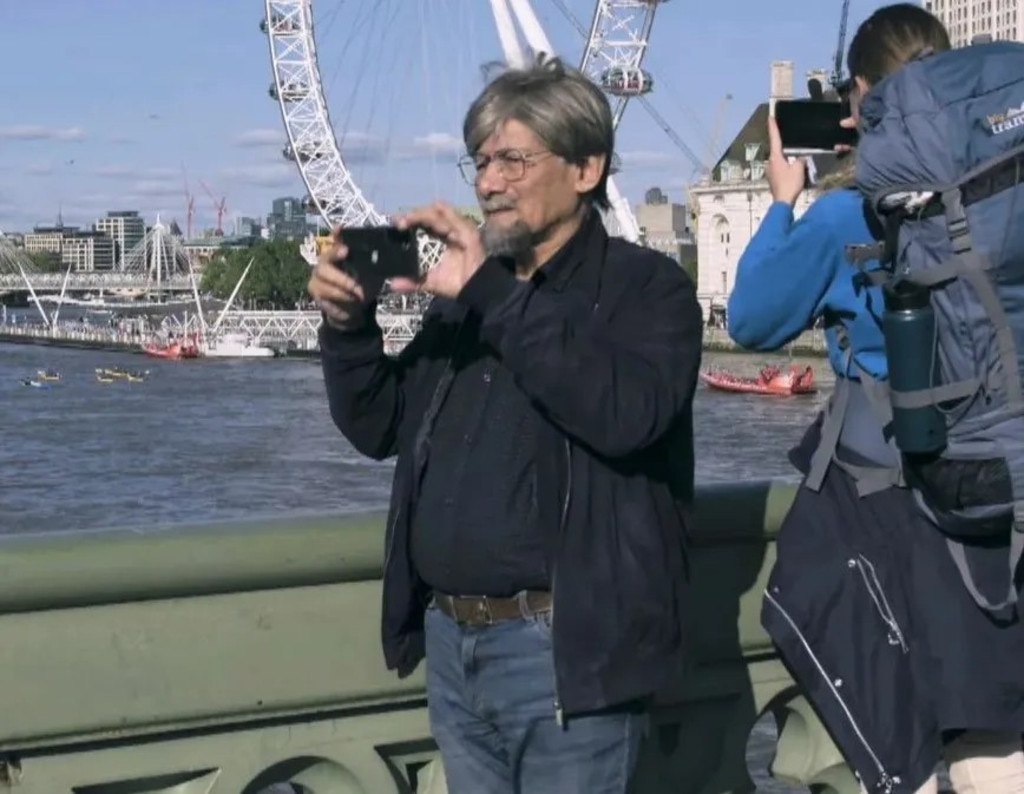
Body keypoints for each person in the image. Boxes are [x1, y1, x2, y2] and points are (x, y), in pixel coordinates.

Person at [307, 54, 702, 794]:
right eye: (482, 161)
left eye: (514, 160)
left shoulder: (647, 290)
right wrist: (348, 327)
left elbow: (625, 415)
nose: (488, 182)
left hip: (567, 653)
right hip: (453, 645)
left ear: (586, 169)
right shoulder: (466, 302)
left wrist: (492, 292)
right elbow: (379, 425)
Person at [728, 5, 1024, 793]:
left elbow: (753, 319)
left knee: (924, 725)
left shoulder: (845, 217)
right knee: (998, 718)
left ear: (861, 100)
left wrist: (782, 199)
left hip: (901, 498)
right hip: (1005, 468)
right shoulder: (1004, 193)